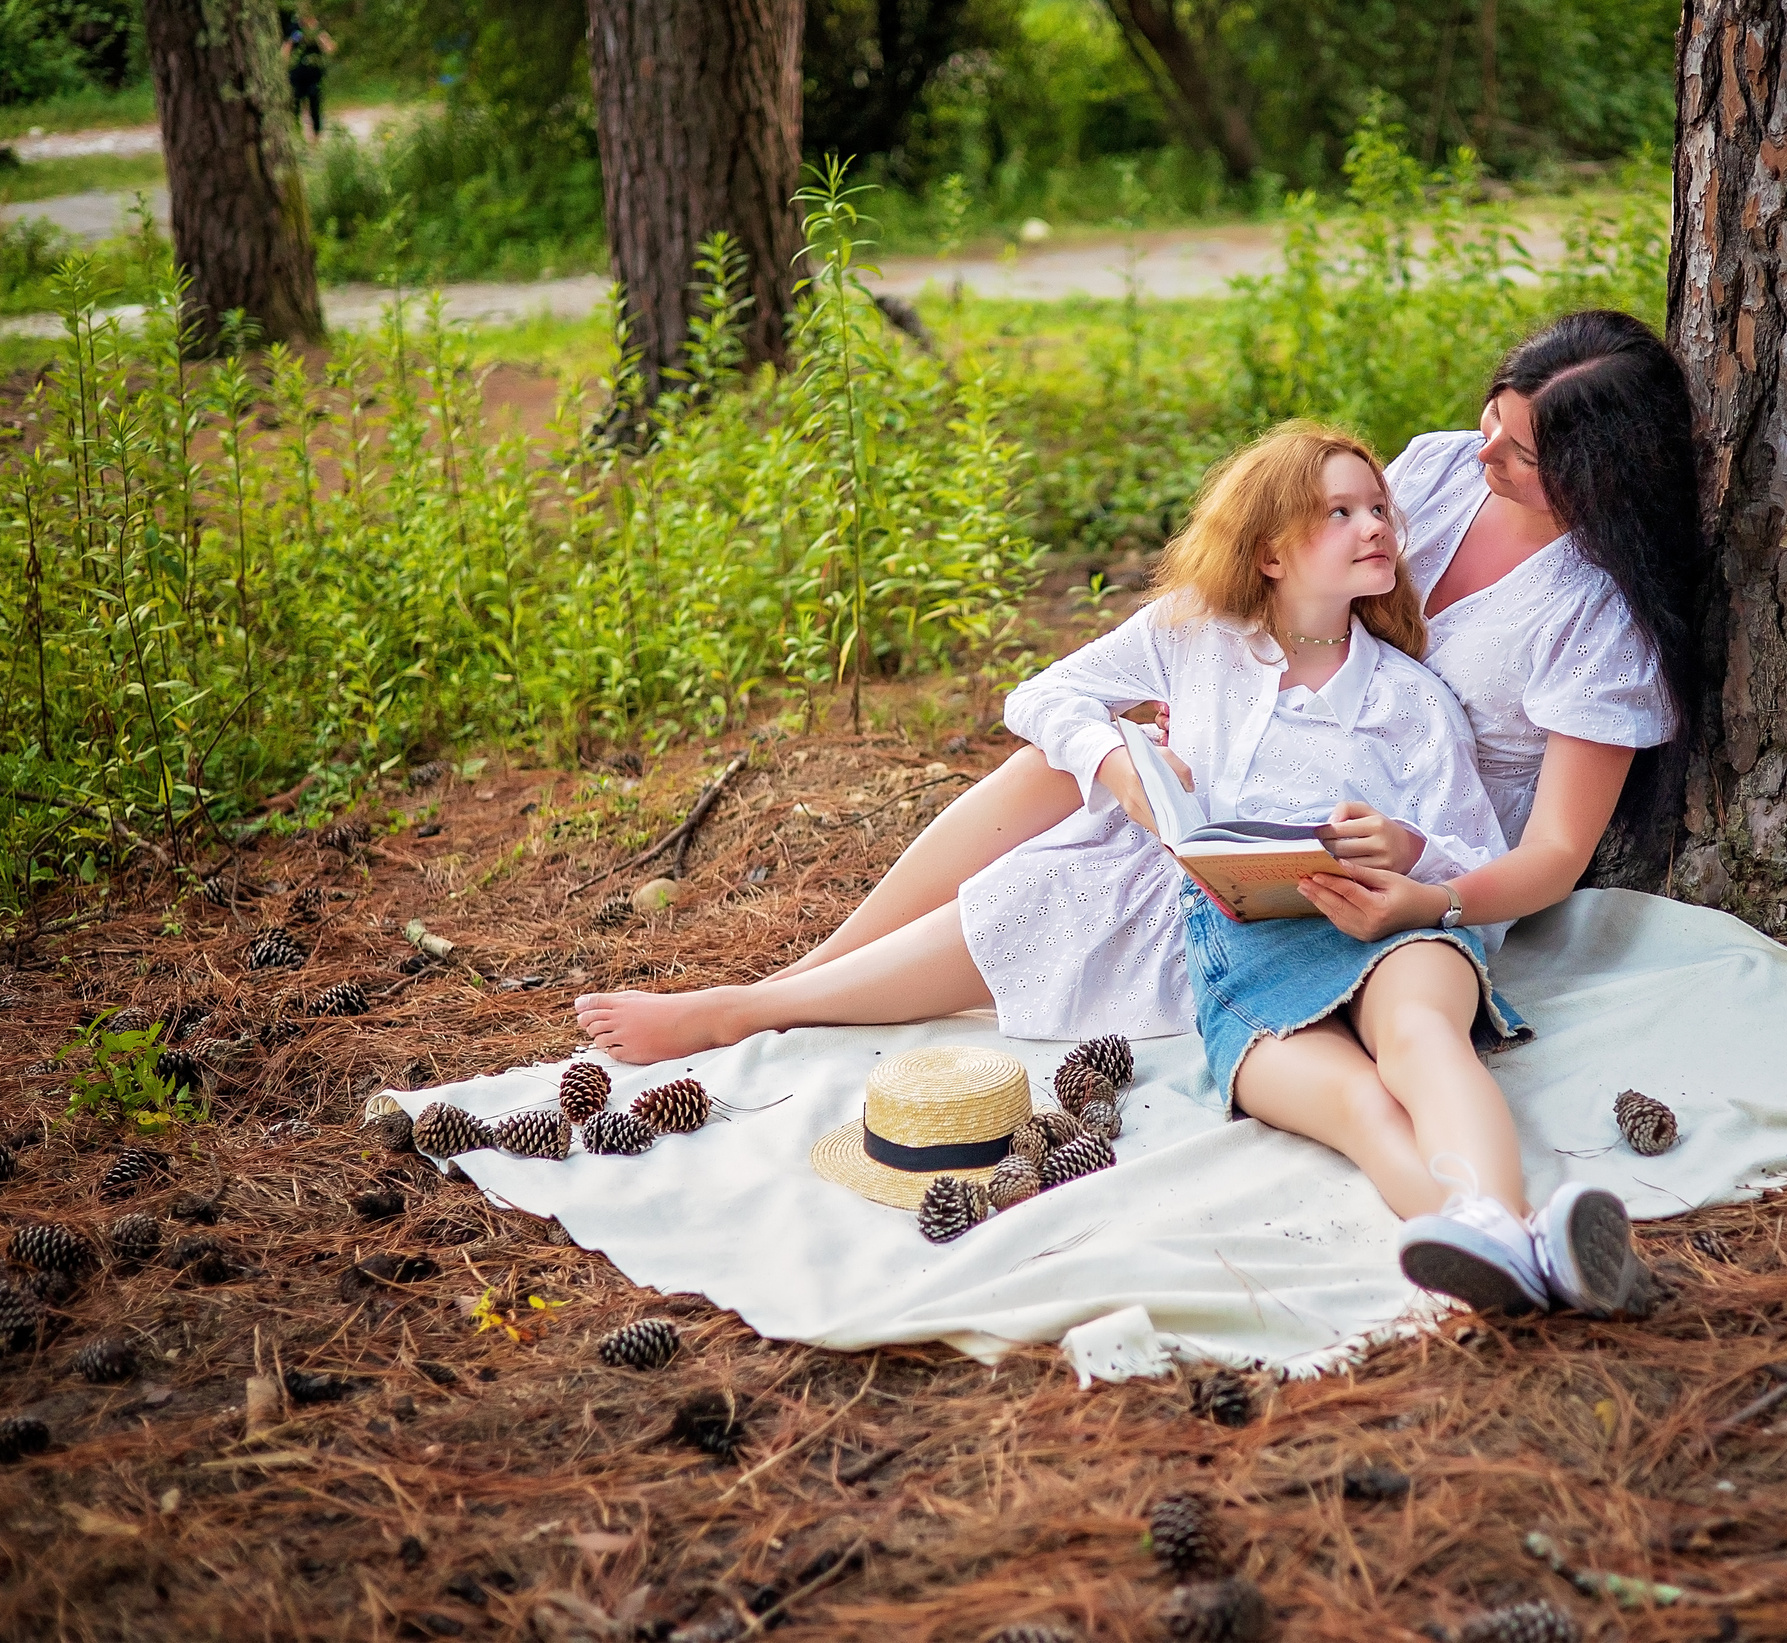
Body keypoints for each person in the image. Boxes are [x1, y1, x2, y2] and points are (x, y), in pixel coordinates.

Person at [576, 422, 1651, 1314]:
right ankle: (1512, 1254)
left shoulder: (1412, 700)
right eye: (1338, 512)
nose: (1374, 525)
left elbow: (1474, 854)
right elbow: (1042, 698)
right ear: (1269, 550)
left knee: (1416, 1043)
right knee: (1356, 1106)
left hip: (1392, 924)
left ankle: (1496, 1226)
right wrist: (1118, 767)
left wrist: (1415, 860)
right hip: (1235, 950)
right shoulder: (1194, 637)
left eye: (1378, 509)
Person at [744, 307, 1706, 1005]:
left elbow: (1550, 855)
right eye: (1490, 418)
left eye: (1516, 452)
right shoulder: (1444, 467)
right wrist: (1192, 694)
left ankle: (795, 1000)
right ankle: (817, 965)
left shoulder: (1598, 618)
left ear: (1597, 474)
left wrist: (1431, 897)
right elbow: (1300, 586)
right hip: (1291, 738)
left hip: (1399, 841)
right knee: (1071, 755)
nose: (1481, 453)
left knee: (1098, 873)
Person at [286, 9, 337, 141]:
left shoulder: (317, 30)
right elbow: (285, 50)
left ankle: (316, 137)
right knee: (295, 104)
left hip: (314, 75)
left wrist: (316, 31)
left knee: (315, 104)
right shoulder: (294, 29)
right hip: (296, 74)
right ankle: (296, 135)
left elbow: (330, 48)